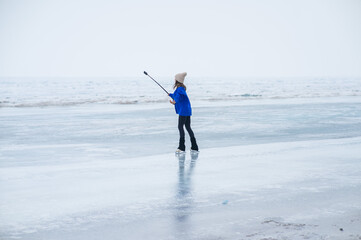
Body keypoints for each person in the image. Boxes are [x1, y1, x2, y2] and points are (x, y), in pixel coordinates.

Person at [169, 72, 199, 153]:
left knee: (180, 127)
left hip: (183, 111)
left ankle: (182, 147)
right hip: (187, 110)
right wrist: (171, 95)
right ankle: (194, 146)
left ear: (177, 80)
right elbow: (178, 97)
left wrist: (173, 102)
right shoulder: (181, 89)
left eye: (175, 78)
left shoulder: (179, 89)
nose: (174, 79)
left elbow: (177, 99)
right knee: (188, 127)